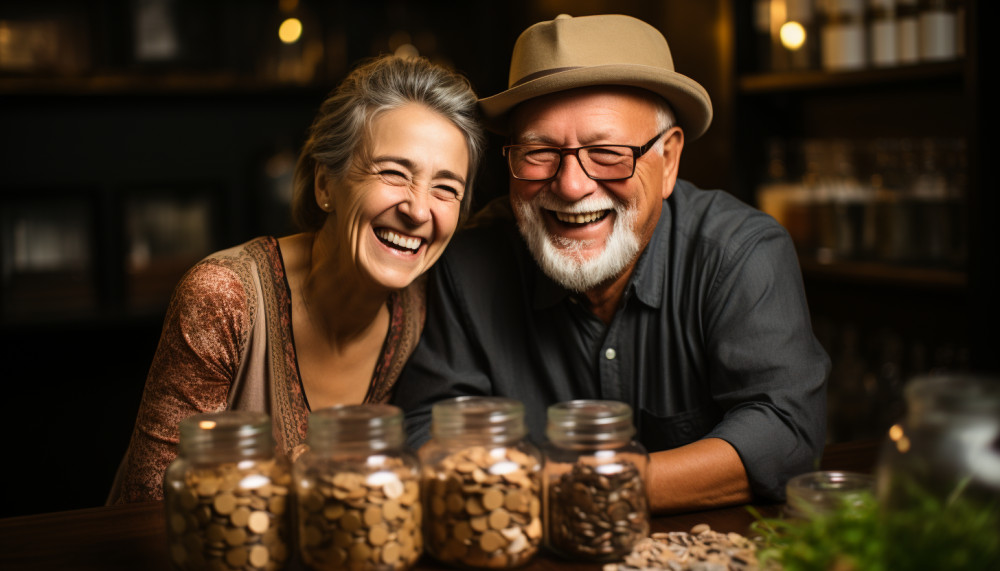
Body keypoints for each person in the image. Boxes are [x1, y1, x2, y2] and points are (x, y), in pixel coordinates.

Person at [391, 14, 830, 513]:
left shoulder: (739, 253)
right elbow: (426, 430)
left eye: (606, 153)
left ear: (669, 159)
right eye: (538, 152)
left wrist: (587, 486)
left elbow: (786, 433)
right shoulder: (466, 262)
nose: (572, 185)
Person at [108, 54, 485, 503]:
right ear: (326, 184)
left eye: (446, 188)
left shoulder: (426, 307)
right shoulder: (222, 296)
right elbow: (150, 507)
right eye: (393, 173)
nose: (419, 210)